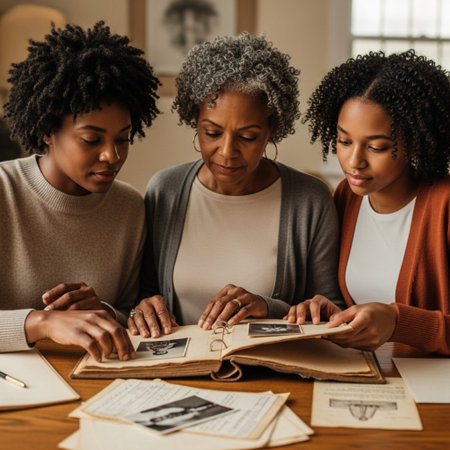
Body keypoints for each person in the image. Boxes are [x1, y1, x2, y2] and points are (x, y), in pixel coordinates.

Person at [129, 33, 342, 338]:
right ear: (195, 123)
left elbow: (329, 309)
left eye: (248, 137)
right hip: (178, 369)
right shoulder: (165, 190)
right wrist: (143, 309)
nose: (227, 152)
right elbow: (143, 295)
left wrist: (267, 307)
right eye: (212, 132)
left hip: (272, 369)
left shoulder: (309, 199)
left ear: (272, 131)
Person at [0, 21, 160, 361]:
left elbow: (128, 312)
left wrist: (103, 311)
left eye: (123, 139)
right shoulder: (4, 192)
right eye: (91, 140)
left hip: (96, 375)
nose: (112, 156)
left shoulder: (130, 207)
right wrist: (41, 322)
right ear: (47, 130)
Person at [286, 50, 450, 354]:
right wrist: (330, 310)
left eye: (376, 147)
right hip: (366, 375)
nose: (354, 162)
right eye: (345, 141)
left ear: (414, 143)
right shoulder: (347, 198)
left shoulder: (444, 205)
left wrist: (399, 322)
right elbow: (356, 308)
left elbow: (392, 322)